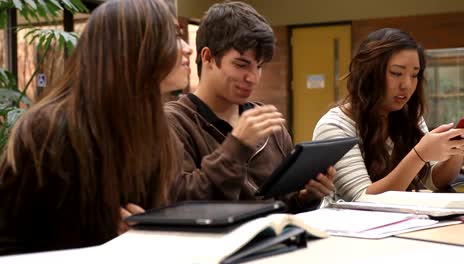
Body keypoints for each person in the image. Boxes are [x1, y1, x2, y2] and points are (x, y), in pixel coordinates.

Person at [0, 0, 192, 255]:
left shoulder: (155, 131)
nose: (188, 48)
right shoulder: (48, 132)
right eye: (174, 37)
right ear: (135, 49)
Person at [165, 1, 335, 213]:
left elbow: (281, 205)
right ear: (207, 57)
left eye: (259, 66)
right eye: (241, 64)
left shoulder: (267, 124)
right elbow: (183, 204)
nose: (253, 78)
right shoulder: (174, 122)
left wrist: (305, 197)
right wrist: (237, 146)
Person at [313, 28, 464, 202]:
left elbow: (433, 181)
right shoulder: (335, 125)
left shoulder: (410, 115)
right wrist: (419, 155)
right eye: (396, 73)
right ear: (369, 73)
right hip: (349, 226)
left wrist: (458, 148)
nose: (407, 85)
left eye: (415, 75)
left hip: (403, 223)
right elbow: (363, 199)